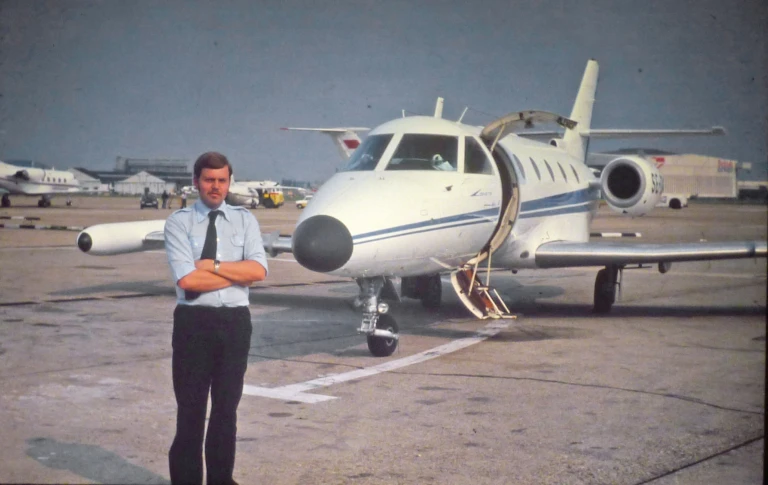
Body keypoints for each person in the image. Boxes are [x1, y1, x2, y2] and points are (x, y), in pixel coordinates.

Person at [164, 151, 268, 485]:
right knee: (191, 411)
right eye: (209, 180)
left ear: (229, 182)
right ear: (196, 182)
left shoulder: (245, 220)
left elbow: (259, 271)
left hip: (235, 324)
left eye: (222, 180)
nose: (216, 186)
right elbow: (187, 280)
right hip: (193, 324)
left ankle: (221, 480)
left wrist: (214, 266)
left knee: (226, 411)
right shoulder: (179, 222)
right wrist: (238, 276)